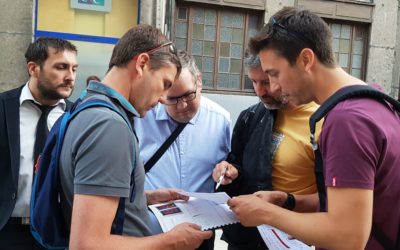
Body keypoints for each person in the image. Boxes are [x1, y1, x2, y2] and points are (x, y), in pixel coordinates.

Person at [228, 7, 400, 250]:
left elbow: (348, 237)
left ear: (306, 60)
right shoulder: (375, 101)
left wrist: (267, 214)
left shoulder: (346, 121)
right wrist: (288, 201)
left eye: (274, 74)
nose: (274, 88)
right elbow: (351, 202)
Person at [59, 24, 212, 249]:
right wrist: (170, 240)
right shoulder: (108, 126)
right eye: (165, 84)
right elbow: (86, 244)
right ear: (142, 64)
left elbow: (91, 195)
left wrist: (144, 197)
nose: (162, 99)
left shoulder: (87, 106)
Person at [213, 53, 321, 250]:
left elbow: (332, 198)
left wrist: (284, 201)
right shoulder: (251, 116)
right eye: (253, 82)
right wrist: (232, 173)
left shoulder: (322, 121)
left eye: (266, 81)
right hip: (247, 237)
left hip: (294, 239)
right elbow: (238, 164)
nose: (260, 91)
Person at [135, 50, 231, 249]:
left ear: (199, 82)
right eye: (173, 98)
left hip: (201, 229)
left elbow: (229, 168)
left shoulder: (220, 120)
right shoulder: (142, 118)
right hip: (152, 227)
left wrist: (227, 170)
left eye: (188, 95)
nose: (182, 106)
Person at [0, 37, 78, 249]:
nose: (70, 77)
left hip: (58, 234)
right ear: (33, 68)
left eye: (74, 68)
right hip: (7, 231)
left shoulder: (78, 116)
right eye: (61, 67)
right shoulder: (3, 107)